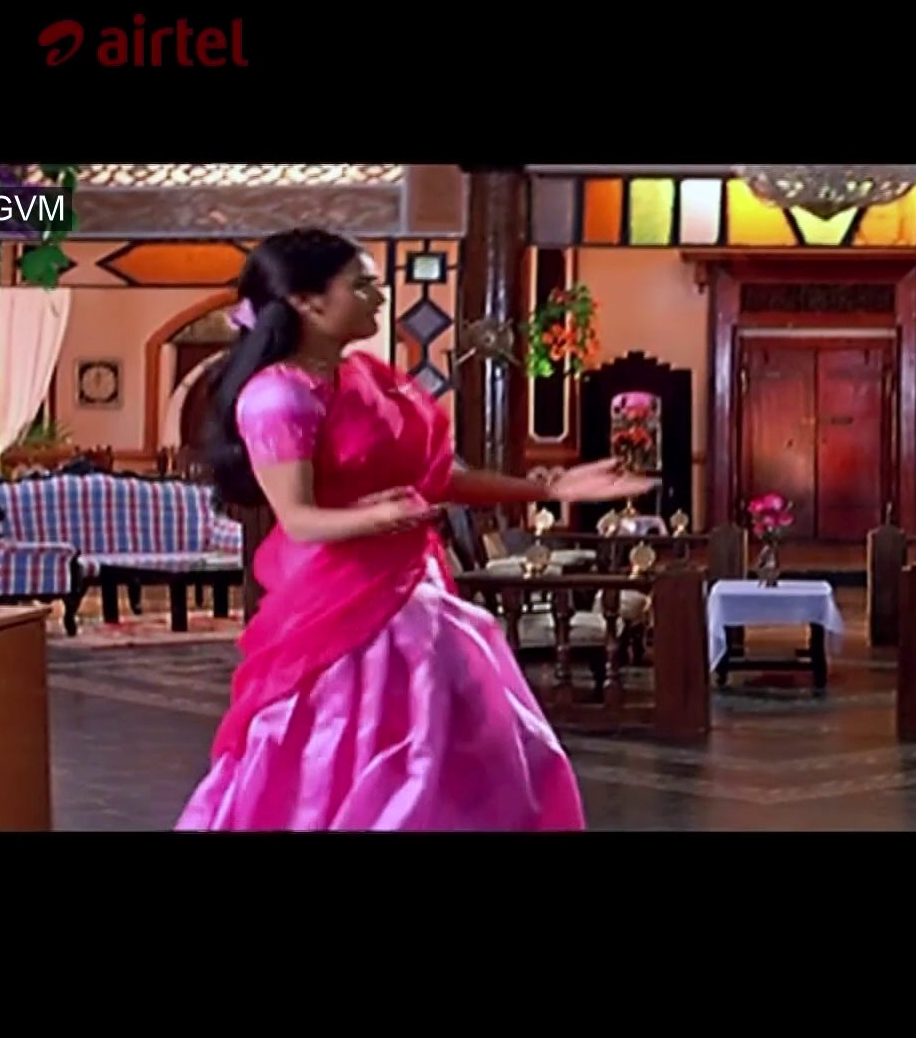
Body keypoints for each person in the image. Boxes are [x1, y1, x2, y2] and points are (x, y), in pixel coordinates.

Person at [177, 228, 655, 831]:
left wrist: (550, 489)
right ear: (307, 301)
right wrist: (379, 517)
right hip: (343, 605)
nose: (378, 296)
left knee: (480, 743)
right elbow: (299, 519)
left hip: (412, 587)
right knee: (368, 754)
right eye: (361, 285)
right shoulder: (278, 397)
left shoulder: (366, 377)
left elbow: (439, 477)